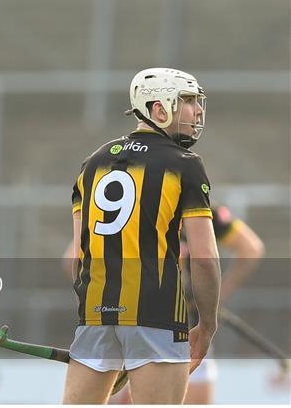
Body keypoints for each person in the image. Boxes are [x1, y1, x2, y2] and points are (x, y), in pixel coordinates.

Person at [62, 68, 221, 404]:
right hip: (158, 316)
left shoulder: (90, 165)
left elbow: (78, 256)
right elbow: (205, 258)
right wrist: (207, 324)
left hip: (94, 316)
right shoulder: (184, 164)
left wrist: (104, 324)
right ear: (159, 109)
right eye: (188, 101)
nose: (198, 110)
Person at [183, 204, 264, 404]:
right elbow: (250, 248)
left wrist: (215, 296)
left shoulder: (204, 211)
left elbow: (251, 248)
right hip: (180, 334)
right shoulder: (200, 208)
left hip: (180, 333)